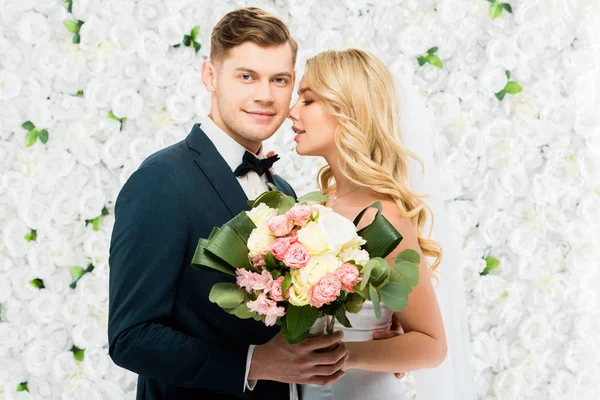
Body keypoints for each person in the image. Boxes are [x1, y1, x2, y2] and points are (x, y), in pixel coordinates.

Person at [108, 8, 348, 400]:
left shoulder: (284, 188)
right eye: (246, 76)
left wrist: (364, 336)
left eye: (279, 79)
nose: (265, 95)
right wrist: (254, 362)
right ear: (210, 76)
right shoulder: (160, 181)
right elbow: (131, 337)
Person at [288, 48, 474, 400]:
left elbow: (432, 344)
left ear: (348, 111)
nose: (291, 111)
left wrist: (345, 354)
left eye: (307, 100)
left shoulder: (381, 216)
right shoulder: (314, 208)